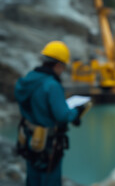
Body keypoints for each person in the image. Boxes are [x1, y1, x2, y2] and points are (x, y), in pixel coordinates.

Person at [14, 41, 86, 186]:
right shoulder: (52, 85)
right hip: (48, 145)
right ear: (58, 65)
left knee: (32, 178)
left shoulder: (28, 79)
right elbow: (62, 115)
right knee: (49, 179)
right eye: (63, 67)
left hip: (29, 139)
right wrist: (76, 112)